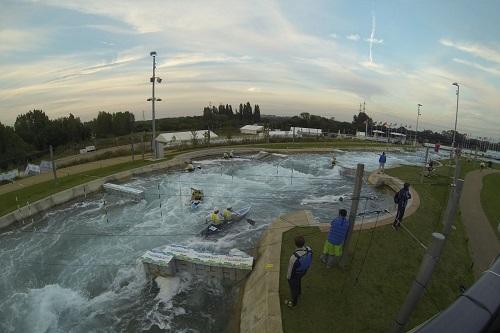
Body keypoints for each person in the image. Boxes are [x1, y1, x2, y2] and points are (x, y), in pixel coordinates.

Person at [285, 235, 313, 308]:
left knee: (293, 288)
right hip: (303, 271)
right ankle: (299, 292)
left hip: (295, 274)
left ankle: (294, 304)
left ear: (295, 244)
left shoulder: (294, 257)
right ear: (304, 243)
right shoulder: (309, 249)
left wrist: (288, 278)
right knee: (298, 280)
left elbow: (290, 271)